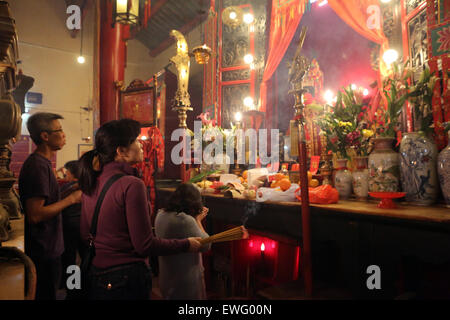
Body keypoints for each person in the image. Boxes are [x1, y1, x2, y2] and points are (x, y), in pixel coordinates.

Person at [78, 118, 203, 300]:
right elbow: (144, 245)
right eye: (136, 140)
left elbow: (84, 233)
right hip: (126, 278)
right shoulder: (131, 185)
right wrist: (186, 243)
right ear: (121, 151)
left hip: (98, 273)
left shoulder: (92, 180)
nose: (142, 144)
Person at [19, 112, 82, 300]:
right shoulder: (37, 166)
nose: (64, 135)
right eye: (59, 130)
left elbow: (47, 202)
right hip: (43, 249)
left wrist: (70, 190)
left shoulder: (43, 164)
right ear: (45, 136)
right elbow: (36, 214)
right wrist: (71, 200)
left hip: (50, 246)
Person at [155, 183, 211, 300]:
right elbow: (206, 244)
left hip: (167, 279)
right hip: (185, 285)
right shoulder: (185, 220)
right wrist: (198, 220)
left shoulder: (160, 214)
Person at [59, 160, 86, 298]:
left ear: (70, 173)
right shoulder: (86, 186)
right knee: (85, 258)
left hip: (69, 228)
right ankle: (84, 289)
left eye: (66, 172)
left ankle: (73, 291)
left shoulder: (66, 188)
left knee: (71, 260)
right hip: (85, 227)